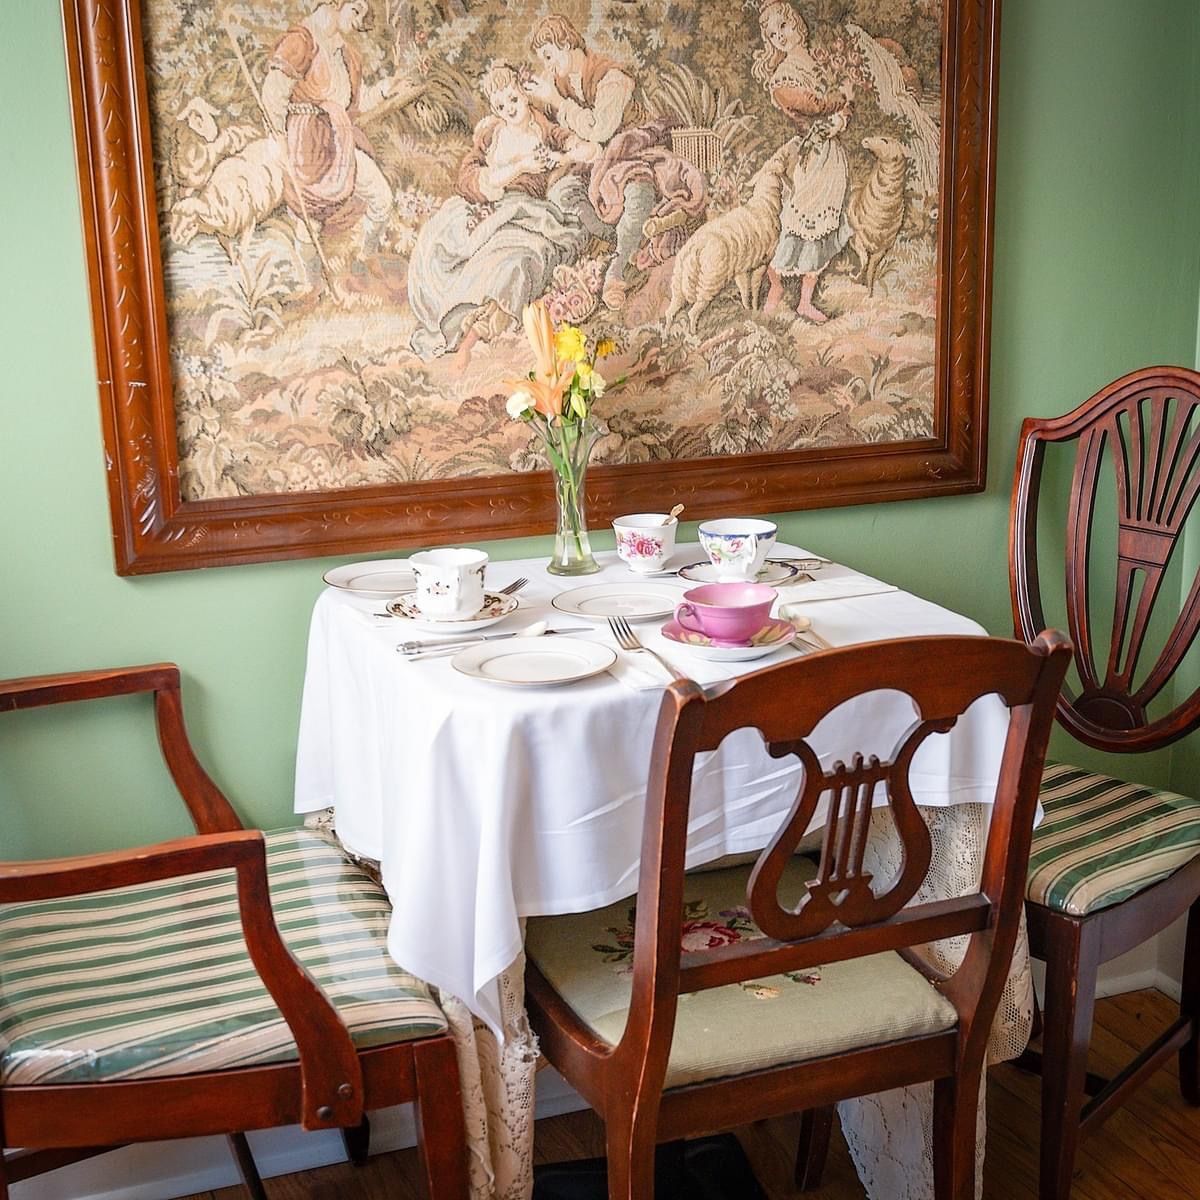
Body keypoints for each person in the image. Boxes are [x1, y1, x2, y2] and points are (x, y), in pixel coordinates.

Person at [406, 63, 592, 362]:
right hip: (487, 207)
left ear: (525, 94)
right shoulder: (492, 133)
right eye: (501, 105)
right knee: (437, 243)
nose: (509, 109)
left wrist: (561, 157)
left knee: (513, 260)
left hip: (526, 211)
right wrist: (514, 169)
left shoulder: (545, 128)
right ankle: (456, 321)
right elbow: (467, 175)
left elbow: (589, 150)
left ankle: (474, 334)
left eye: (514, 100)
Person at [524, 14, 705, 310]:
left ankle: (617, 271)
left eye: (549, 56)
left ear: (565, 43)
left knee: (636, 187)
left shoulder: (612, 78)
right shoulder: (561, 79)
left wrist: (557, 103)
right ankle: (628, 240)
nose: (547, 66)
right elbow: (541, 112)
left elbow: (601, 129)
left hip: (634, 148)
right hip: (598, 161)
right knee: (561, 192)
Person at [261, 0, 397, 261]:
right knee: (308, 222)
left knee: (381, 197)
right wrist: (277, 139)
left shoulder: (347, 54)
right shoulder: (302, 41)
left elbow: (352, 104)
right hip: (306, 144)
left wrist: (385, 89)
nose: (358, 22)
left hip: (340, 142)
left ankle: (365, 259)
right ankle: (312, 287)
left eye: (362, 16)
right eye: (356, 10)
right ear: (335, 2)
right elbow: (273, 94)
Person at [753, 0, 853, 324]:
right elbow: (812, 105)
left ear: (795, 22)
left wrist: (842, 116)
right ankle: (777, 288)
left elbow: (837, 107)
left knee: (823, 231)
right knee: (797, 221)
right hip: (810, 158)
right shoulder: (783, 77)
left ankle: (805, 301)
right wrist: (839, 101)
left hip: (831, 158)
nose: (778, 36)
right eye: (771, 34)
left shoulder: (815, 62)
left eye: (782, 26)